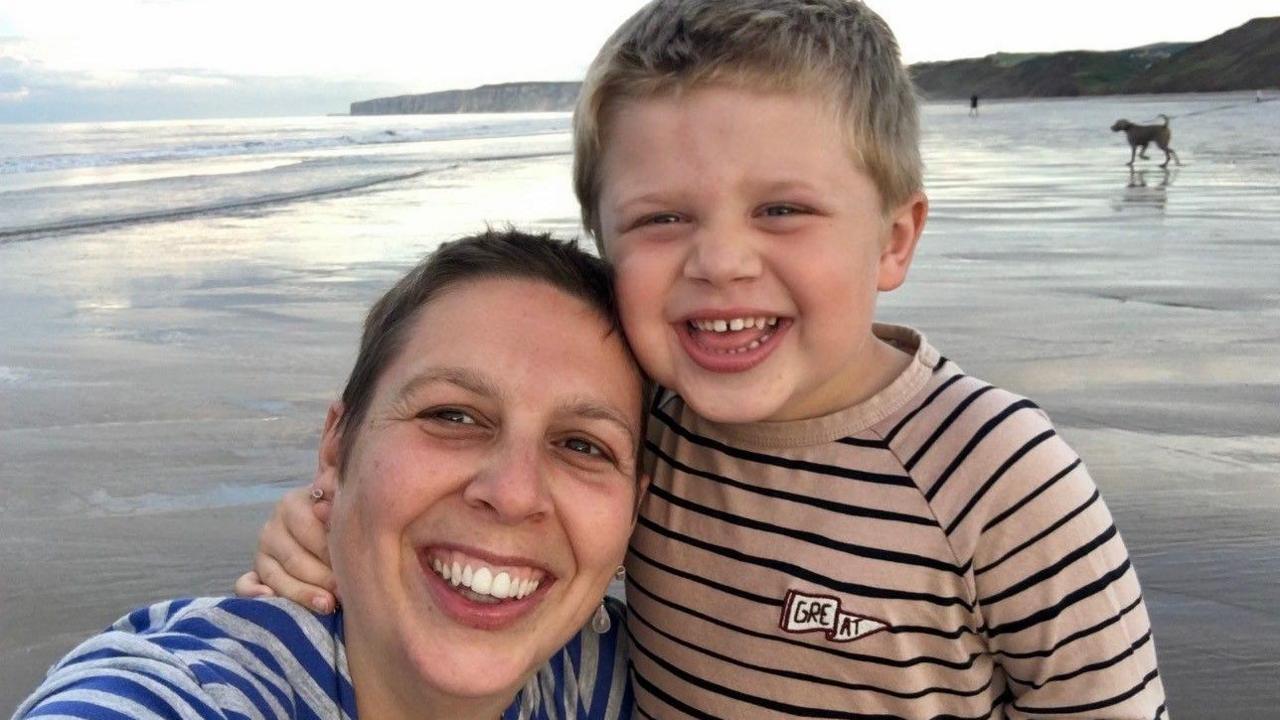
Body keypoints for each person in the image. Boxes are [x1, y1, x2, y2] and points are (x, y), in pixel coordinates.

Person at [242, 1, 1168, 716]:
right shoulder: (634, 431)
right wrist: (320, 526)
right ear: (605, 243)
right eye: (663, 217)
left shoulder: (1004, 479)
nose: (721, 261)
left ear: (893, 239)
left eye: (782, 210)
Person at [15, 229, 645, 720]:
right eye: (452, 415)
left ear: (635, 511)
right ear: (337, 449)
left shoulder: (631, 680)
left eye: (583, 446)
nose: (513, 493)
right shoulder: (195, 690)